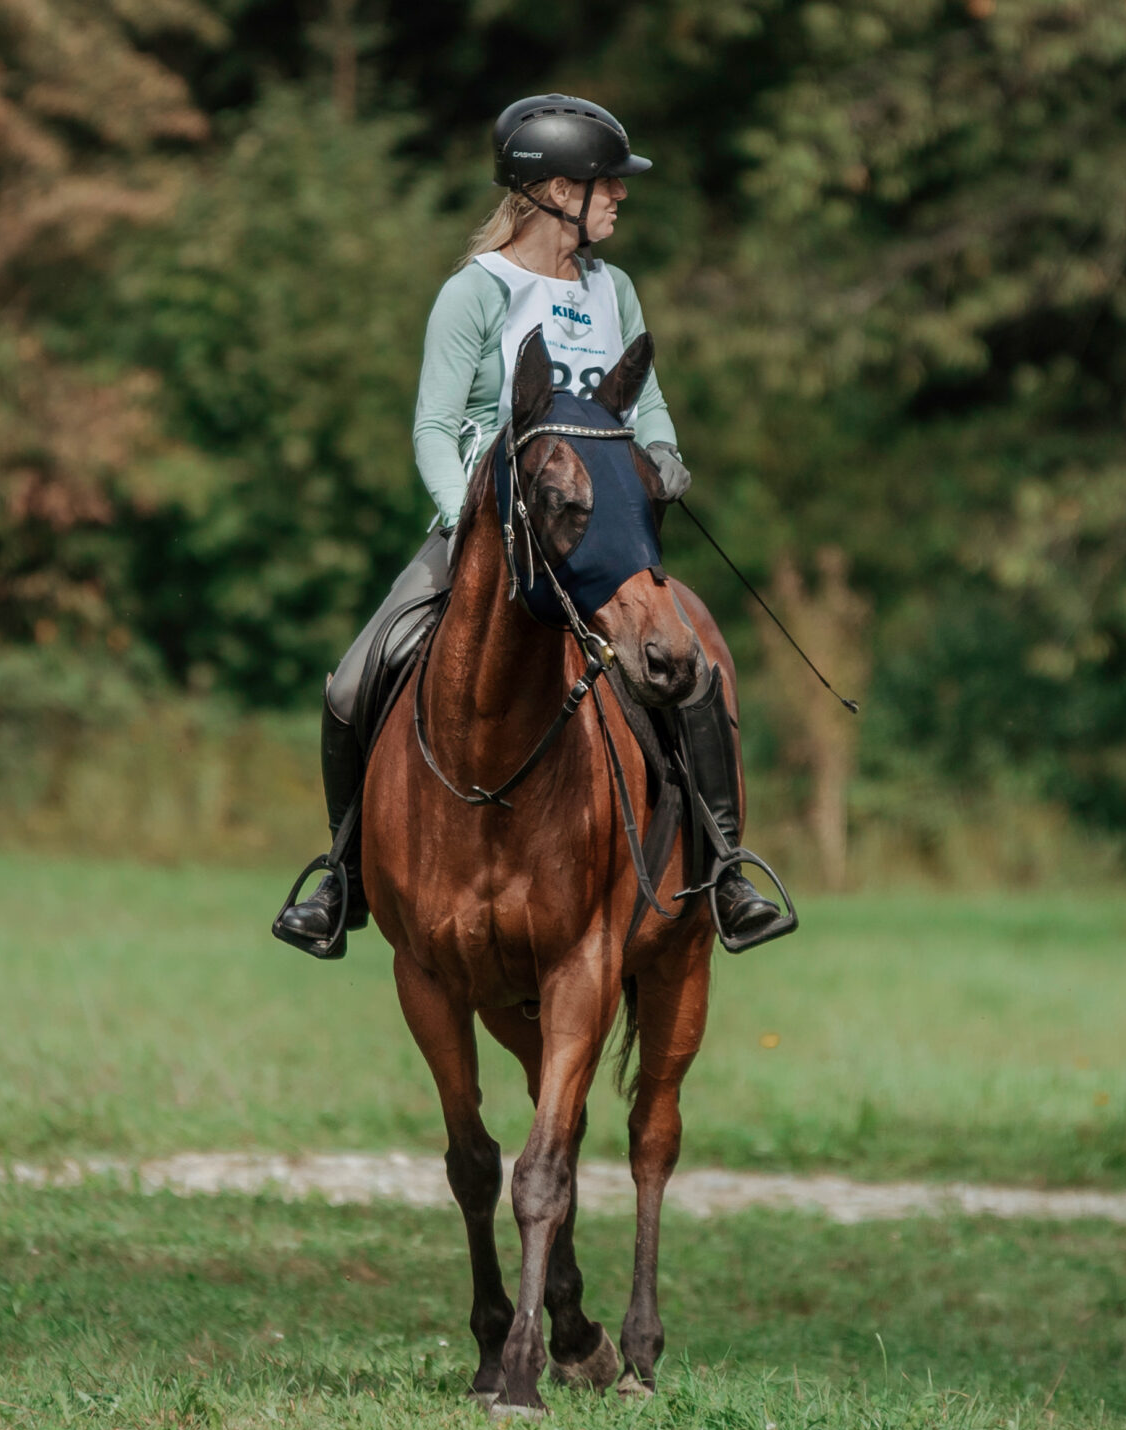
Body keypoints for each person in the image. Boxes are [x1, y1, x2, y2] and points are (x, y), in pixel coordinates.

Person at [272, 93, 794, 960]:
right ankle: (345, 881)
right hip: (487, 537)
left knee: (690, 669)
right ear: (555, 191)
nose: (620, 198)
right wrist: (464, 523)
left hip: (603, 540)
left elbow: (648, 404)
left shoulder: (613, 288)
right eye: (606, 185)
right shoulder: (473, 295)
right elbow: (435, 428)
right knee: (351, 683)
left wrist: (661, 457)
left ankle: (725, 872)